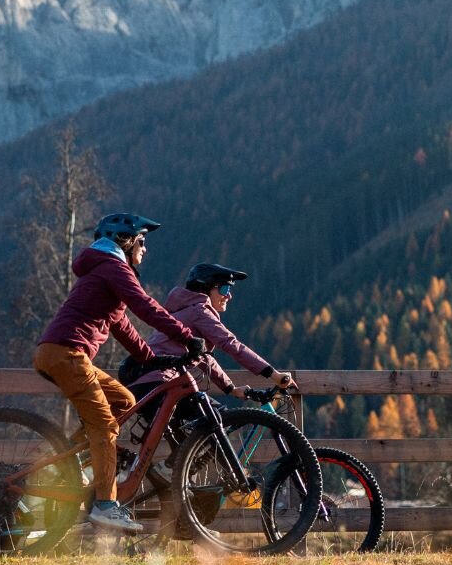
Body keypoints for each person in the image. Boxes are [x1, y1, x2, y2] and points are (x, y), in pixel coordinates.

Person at [34, 212, 203, 531]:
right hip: (67, 354)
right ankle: (105, 504)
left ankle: (71, 465)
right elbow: (144, 306)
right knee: (104, 428)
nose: (145, 248)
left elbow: (123, 326)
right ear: (124, 242)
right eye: (142, 241)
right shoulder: (114, 267)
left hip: (61, 354)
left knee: (125, 403)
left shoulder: (104, 272)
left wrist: (151, 358)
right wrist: (185, 336)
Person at [129, 263, 296, 399]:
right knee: (213, 422)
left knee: (204, 428)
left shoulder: (186, 311)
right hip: (159, 382)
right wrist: (274, 375)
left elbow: (203, 357)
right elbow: (230, 344)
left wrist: (231, 389)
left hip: (147, 382)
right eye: (224, 289)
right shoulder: (199, 311)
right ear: (205, 288)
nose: (229, 296)